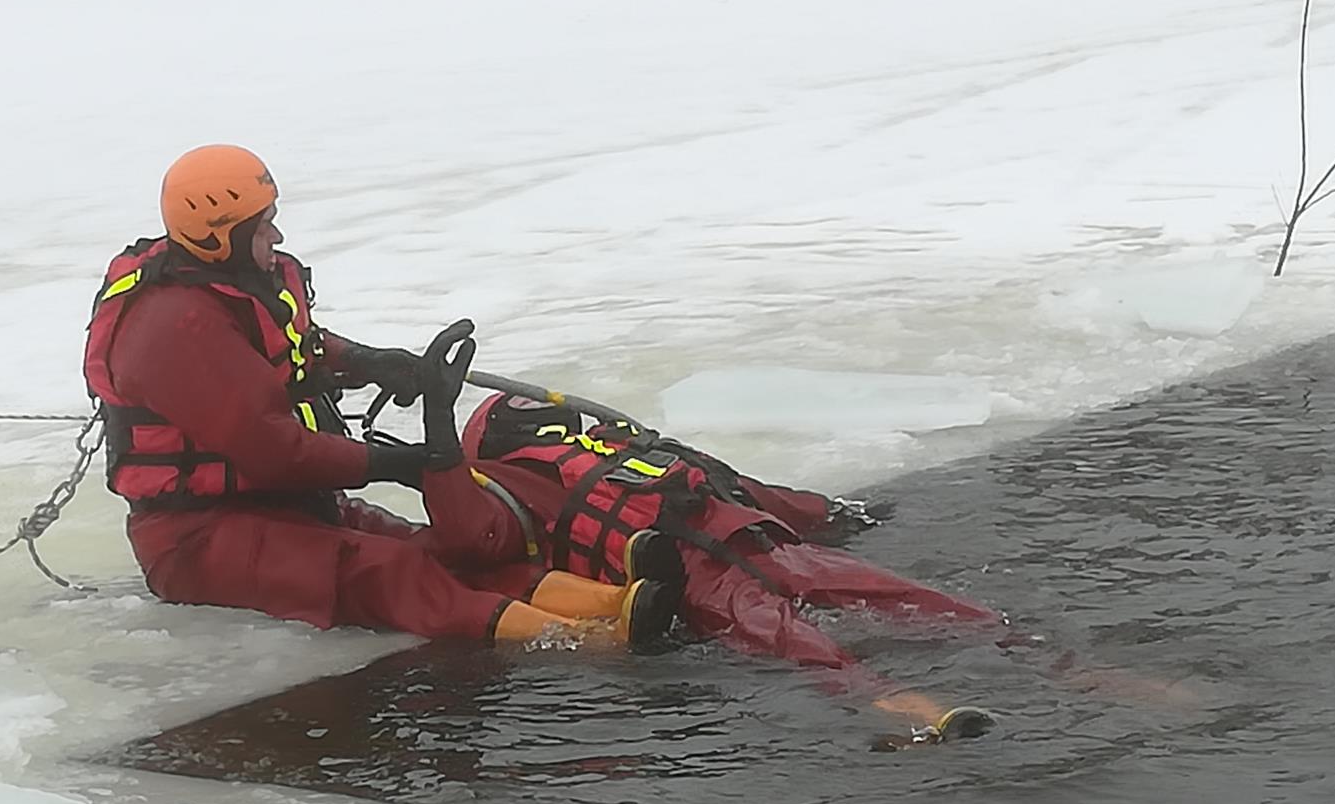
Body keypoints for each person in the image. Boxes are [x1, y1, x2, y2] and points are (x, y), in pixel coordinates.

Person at [82, 144, 680, 646]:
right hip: (196, 539)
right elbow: (274, 451)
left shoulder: (236, 282)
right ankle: (584, 640)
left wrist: (370, 362)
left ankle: (608, 601)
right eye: (262, 226)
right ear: (220, 237)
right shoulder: (175, 327)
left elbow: (294, 344)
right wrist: (400, 464)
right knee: (388, 572)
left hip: (284, 504)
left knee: (433, 550)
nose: (277, 234)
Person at [435, 392, 1001, 731]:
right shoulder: (583, 456)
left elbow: (481, 546)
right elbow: (749, 488)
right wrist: (829, 514)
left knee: (805, 646)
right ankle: (1011, 678)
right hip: (752, 544)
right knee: (913, 606)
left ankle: (918, 704)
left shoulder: (535, 473)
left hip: (725, 561)